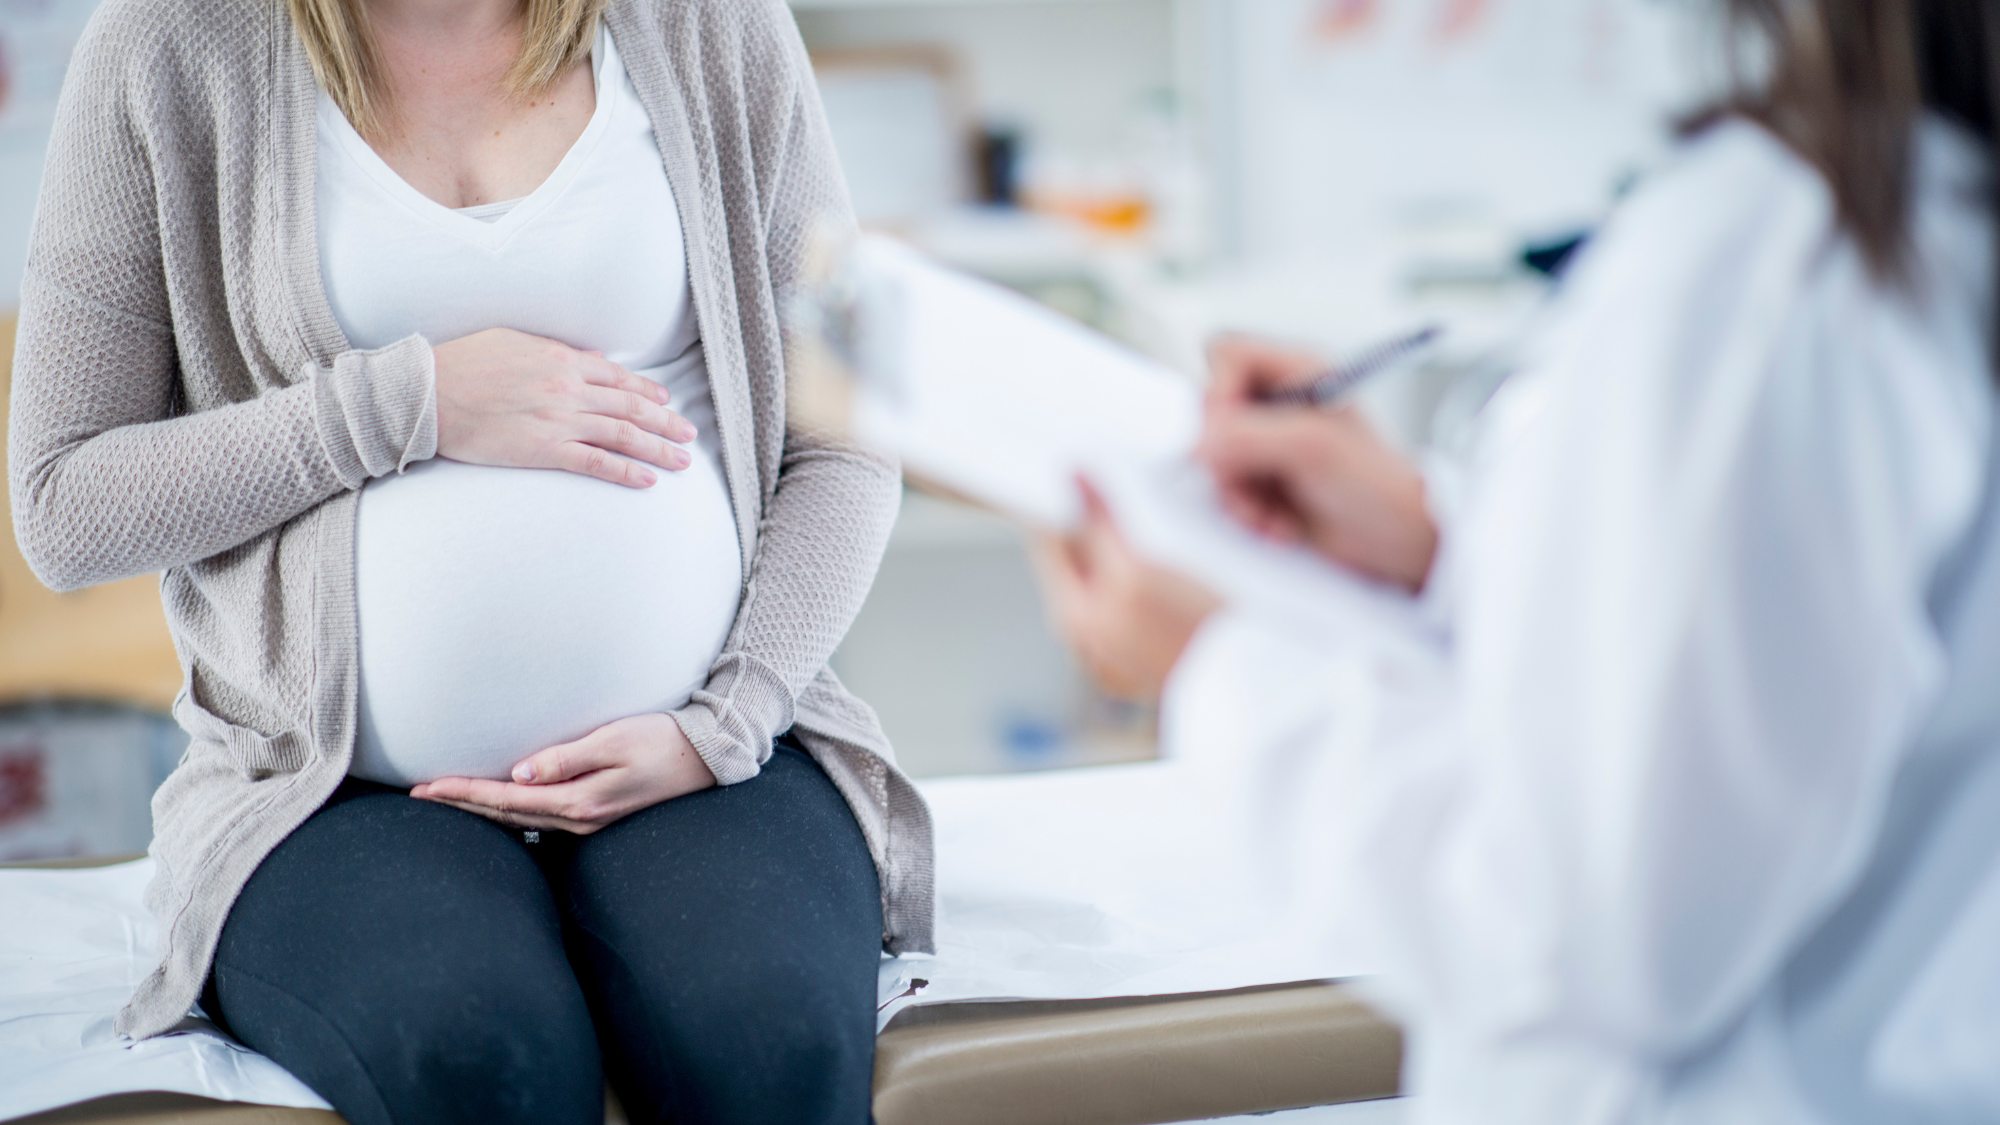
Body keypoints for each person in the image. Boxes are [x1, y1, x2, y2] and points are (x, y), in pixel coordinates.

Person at [1035, 0, 2000, 1119]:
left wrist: (1225, 668)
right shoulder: (1932, 206)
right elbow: (1822, 651)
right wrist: (1440, 552)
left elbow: (1585, 938)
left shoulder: (1778, 251)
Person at [7, 0, 933, 1120]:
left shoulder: (710, 22)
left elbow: (849, 427)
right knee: (479, 1060)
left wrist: (725, 722)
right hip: (333, 790)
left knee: (770, 1047)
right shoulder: (166, 43)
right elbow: (65, 506)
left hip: (709, 754)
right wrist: (413, 402)